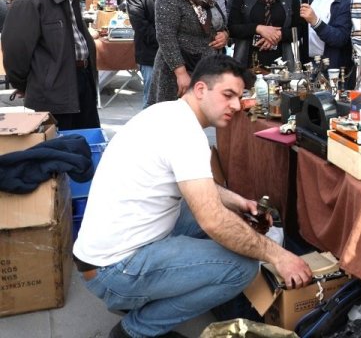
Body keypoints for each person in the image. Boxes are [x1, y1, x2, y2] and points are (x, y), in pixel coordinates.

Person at [73, 54, 313, 338]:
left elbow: (198, 187)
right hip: (112, 272)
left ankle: (166, 290)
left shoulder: (169, 113)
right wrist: (280, 257)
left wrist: (238, 202)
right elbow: (213, 221)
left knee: (224, 217)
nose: (236, 106)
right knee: (241, 267)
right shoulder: (185, 134)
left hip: (98, 256)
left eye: (239, 96)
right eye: (228, 95)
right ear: (200, 89)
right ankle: (136, 329)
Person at [2, 0, 100, 130]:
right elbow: (16, 52)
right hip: (53, 91)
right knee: (61, 147)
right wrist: (28, 84)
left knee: (86, 142)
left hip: (81, 80)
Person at [148, 0, 228, 105]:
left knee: (197, 120)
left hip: (203, 67)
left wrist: (225, 35)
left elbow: (218, 22)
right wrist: (181, 73)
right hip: (175, 71)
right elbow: (166, 36)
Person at [127, 0, 172, 108]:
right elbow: (140, 25)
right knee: (152, 101)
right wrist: (168, 41)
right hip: (150, 54)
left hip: (179, 55)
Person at [299, 0, 353, 71]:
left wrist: (315, 21)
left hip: (331, 67)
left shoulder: (349, 0)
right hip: (308, 63)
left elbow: (340, 38)